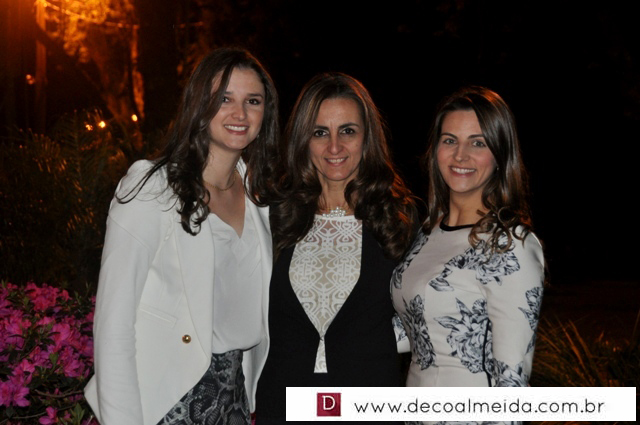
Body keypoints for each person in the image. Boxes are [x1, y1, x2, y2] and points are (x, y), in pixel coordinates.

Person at [84, 47, 279, 425]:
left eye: (252, 101)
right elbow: (113, 324)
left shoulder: (261, 194)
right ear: (199, 104)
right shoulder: (152, 187)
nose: (240, 114)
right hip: (165, 400)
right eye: (224, 99)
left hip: (235, 399)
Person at [255, 72, 417, 423]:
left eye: (347, 131)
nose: (334, 147)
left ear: (367, 137)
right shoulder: (272, 215)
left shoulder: (400, 218)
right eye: (319, 132)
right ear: (303, 139)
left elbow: (427, 314)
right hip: (283, 407)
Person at [391, 86, 544, 406]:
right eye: (450, 140)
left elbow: (511, 380)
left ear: (500, 155)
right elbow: (419, 328)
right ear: (435, 150)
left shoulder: (510, 246)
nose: (461, 155)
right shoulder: (427, 233)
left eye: (478, 142)